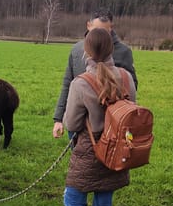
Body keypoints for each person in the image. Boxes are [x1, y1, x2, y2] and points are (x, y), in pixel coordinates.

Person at [56, 27, 135, 206]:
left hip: (91, 149)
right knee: (103, 203)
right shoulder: (125, 77)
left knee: (73, 200)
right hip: (118, 148)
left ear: (86, 51)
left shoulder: (82, 83)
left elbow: (71, 123)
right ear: (112, 49)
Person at [52, 8, 137, 140]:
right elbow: (67, 84)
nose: (99, 37)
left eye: (104, 32)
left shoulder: (123, 52)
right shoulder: (77, 50)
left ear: (111, 28)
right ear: (88, 25)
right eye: (96, 31)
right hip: (79, 127)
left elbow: (131, 89)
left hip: (112, 129)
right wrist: (58, 118)